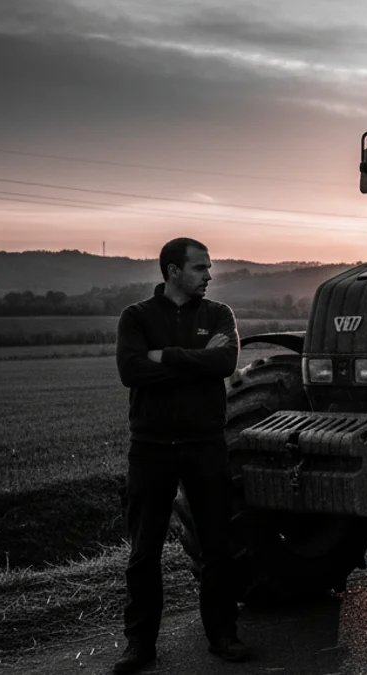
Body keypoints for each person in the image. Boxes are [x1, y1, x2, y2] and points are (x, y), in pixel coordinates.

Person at [113, 238, 249, 673]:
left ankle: (223, 635)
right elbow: (131, 371)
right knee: (144, 550)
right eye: (200, 268)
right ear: (173, 271)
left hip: (205, 444)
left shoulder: (218, 315)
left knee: (217, 545)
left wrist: (164, 357)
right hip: (151, 448)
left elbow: (225, 363)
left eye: (209, 268)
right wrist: (195, 360)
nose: (209, 275)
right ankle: (140, 645)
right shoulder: (136, 317)